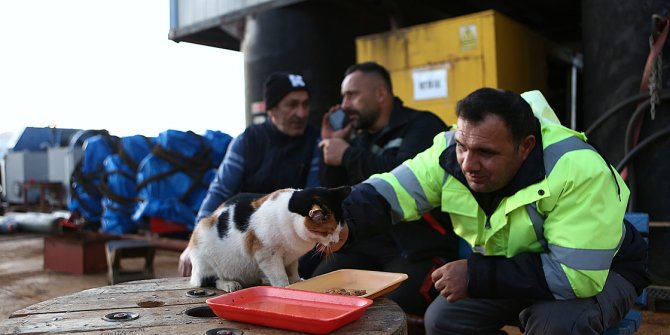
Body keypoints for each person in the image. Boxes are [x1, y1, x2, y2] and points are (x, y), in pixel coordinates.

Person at [329, 88, 650, 334]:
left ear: (525, 146)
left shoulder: (578, 168)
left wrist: (476, 275)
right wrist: (338, 218)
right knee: (443, 320)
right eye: (463, 146)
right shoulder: (450, 154)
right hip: (520, 270)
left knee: (553, 323)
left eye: (486, 152)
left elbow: (575, 276)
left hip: (603, 273)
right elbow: (394, 189)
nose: (468, 163)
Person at [313, 61, 460, 317]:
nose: (345, 105)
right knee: (315, 291)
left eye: (352, 95)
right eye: (343, 97)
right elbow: (332, 191)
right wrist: (332, 145)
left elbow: (403, 176)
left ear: (381, 94)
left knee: (390, 310)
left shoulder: (423, 125)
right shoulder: (357, 138)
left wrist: (347, 154)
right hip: (367, 241)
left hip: (417, 245)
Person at [178, 72, 320, 276]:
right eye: (292, 105)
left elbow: (313, 198)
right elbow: (220, 190)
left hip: (293, 241)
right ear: (271, 108)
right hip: (246, 241)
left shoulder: (315, 142)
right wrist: (194, 244)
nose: (301, 113)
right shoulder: (247, 142)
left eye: (305, 105)